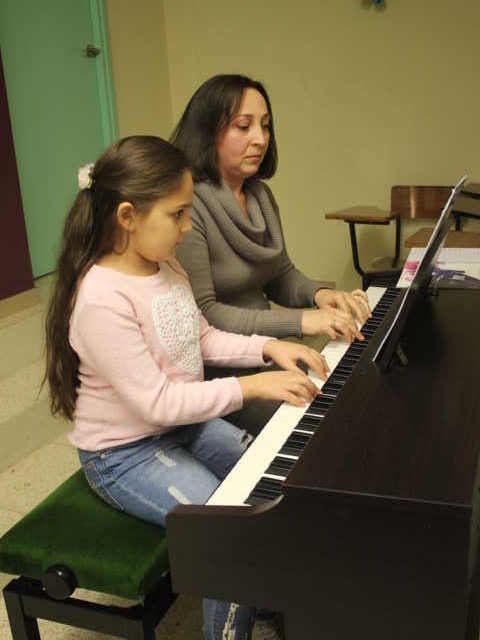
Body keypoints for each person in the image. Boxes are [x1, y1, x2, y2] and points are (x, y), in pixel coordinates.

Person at [44, 135, 329, 640]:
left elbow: (204, 337)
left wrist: (270, 347)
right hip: (124, 454)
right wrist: (255, 387)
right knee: (227, 537)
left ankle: (259, 599)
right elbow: (157, 403)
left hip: (181, 426)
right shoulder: (100, 301)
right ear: (128, 216)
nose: (188, 227)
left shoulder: (166, 268)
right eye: (177, 214)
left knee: (271, 482)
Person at [171, 74, 371, 344]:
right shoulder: (187, 205)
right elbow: (204, 313)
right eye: (243, 126)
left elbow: (280, 275)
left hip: (265, 347)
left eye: (265, 126)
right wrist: (301, 321)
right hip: (222, 365)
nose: (261, 139)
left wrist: (321, 295)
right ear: (207, 132)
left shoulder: (260, 195)